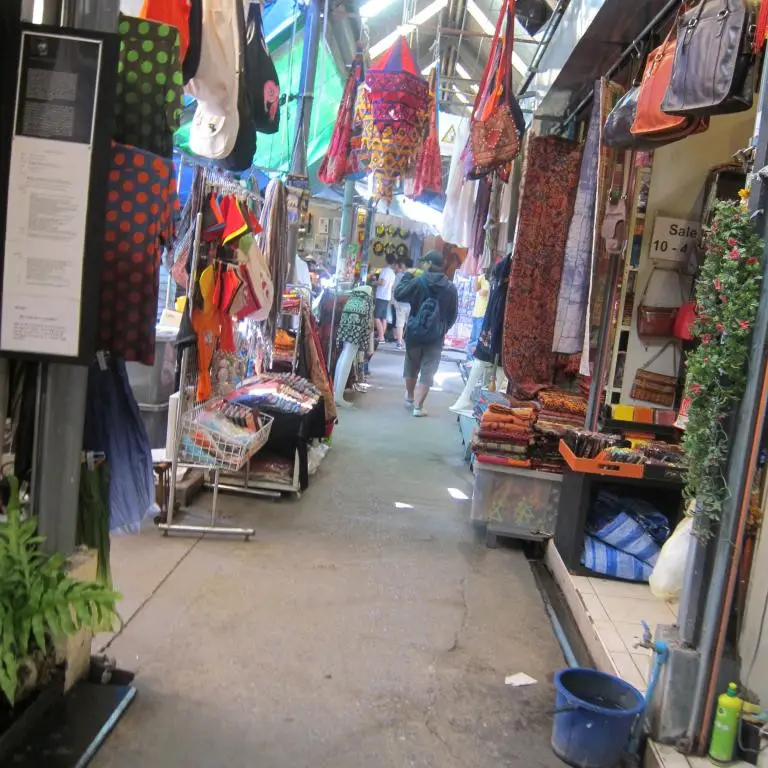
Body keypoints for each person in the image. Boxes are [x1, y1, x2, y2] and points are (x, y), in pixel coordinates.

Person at [394, 250, 458, 417]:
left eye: (424, 262)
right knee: (428, 371)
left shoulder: (418, 281)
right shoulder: (450, 287)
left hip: (414, 331)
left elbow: (398, 294)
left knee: (411, 365)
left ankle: (409, 397)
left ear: (429, 264)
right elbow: (453, 315)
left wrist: (408, 275)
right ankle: (418, 406)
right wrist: (442, 328)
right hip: (435, 337)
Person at [467, 269, 490, 360]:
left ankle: (471, 359)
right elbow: (476, 289)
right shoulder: (482, 278)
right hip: (477, 313)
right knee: (473, 338)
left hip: (482, 314)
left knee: (476, 339)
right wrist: (477, 276)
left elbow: (482, 292)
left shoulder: (488, 280)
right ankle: (470, 358)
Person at [374, 254, 396, 343]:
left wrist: (375, 282)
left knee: (376, 317)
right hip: (387, 297)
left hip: (381, 296)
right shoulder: (393, 273)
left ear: (386, 260)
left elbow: (382, 283)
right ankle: (381, 336)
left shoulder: (385, 271)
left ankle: (381, 337)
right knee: (383, 317)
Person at [392, 258, 412, 350]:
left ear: (404, 265)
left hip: (400, 303)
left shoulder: (399, 275)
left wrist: (394, 302)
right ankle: (410, 341)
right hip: (411, 304)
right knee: (410, 323)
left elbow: (394, 289)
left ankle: (399, 342)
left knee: (400, 323)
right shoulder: (414, 276)